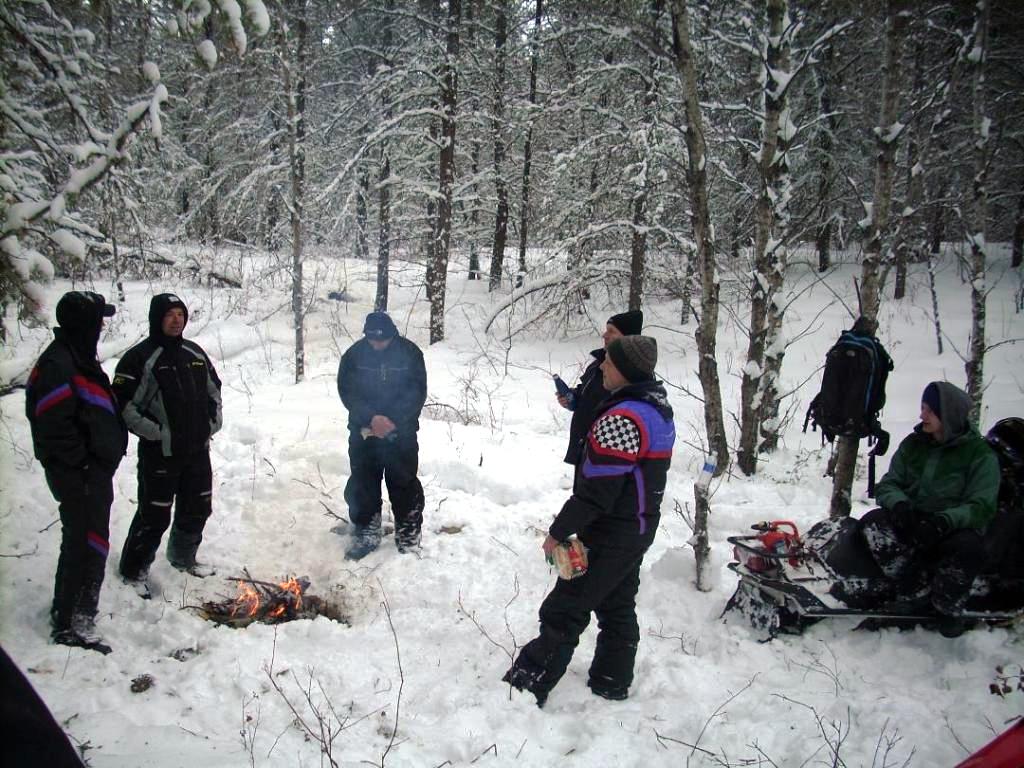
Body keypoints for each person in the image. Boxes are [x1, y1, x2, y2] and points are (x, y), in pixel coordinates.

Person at [504, 335, 675, 707]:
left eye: (609, 363)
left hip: (612, 530)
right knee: (616, 604)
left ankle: (525, 688)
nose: (602, 368)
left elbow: (598, 492)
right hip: (637, 527)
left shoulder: (623, 418)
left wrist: (558, 531)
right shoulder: (655, 408)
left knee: (565, 608)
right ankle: (611, 680)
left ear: (626, 370)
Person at [25, 291, 128, 653]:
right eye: (98, 320)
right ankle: (70, 622)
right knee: (84, 541)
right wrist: (83, 464)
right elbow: (52, 426)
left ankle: (80, 610)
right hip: (78, 474)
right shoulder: (59, 364)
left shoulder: (78, 356)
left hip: (90, 471)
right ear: (85, 324)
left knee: (92, 539)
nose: (102, 327)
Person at [863, 381, 1000, 635]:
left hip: (950, 529)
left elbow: (981, 506)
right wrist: (900, 505)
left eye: (929, 410)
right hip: (914, 521)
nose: (922, 415)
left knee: (970, 549)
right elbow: (888, 484)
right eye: (922, 408)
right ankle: (911, 588)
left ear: (948, 415)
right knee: (873, 523)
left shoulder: (979, 455)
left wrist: (943, 521)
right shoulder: (914, 444)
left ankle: (946, 605)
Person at [113, 293, 223, 595]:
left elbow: (214, 392)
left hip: (197, 451)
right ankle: (133, 571)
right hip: (160, 453)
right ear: (156, 318)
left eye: (180, 314)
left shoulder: (194, 353)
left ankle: (183, 558)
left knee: (197, 507)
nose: (176, 320)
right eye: (169, 315)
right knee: (154, 515)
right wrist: (158, 433)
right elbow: (123, 405)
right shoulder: (140, 358)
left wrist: (211, 424)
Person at [337, 311, 427, 560]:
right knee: (363, 482)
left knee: (403, 482)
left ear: (392, 335)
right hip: (364, 430)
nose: (377, 344)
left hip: (401, 431)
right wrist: (371, 418)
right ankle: (367, 529)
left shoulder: (410, 353)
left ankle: (408, 531)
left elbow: (417, 392)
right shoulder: (354, 355)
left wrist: (392, 420)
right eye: (372, 339)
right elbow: (347, 392)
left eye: (382, 339)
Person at [558, 310, 644, 467]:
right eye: (606, 330)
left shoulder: (630, 373)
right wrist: (572, 397)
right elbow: (588, 393)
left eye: (611, 331)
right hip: (585, 446)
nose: (604, 335)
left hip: (606, 453)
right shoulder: (599, 363)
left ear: (627, 337)